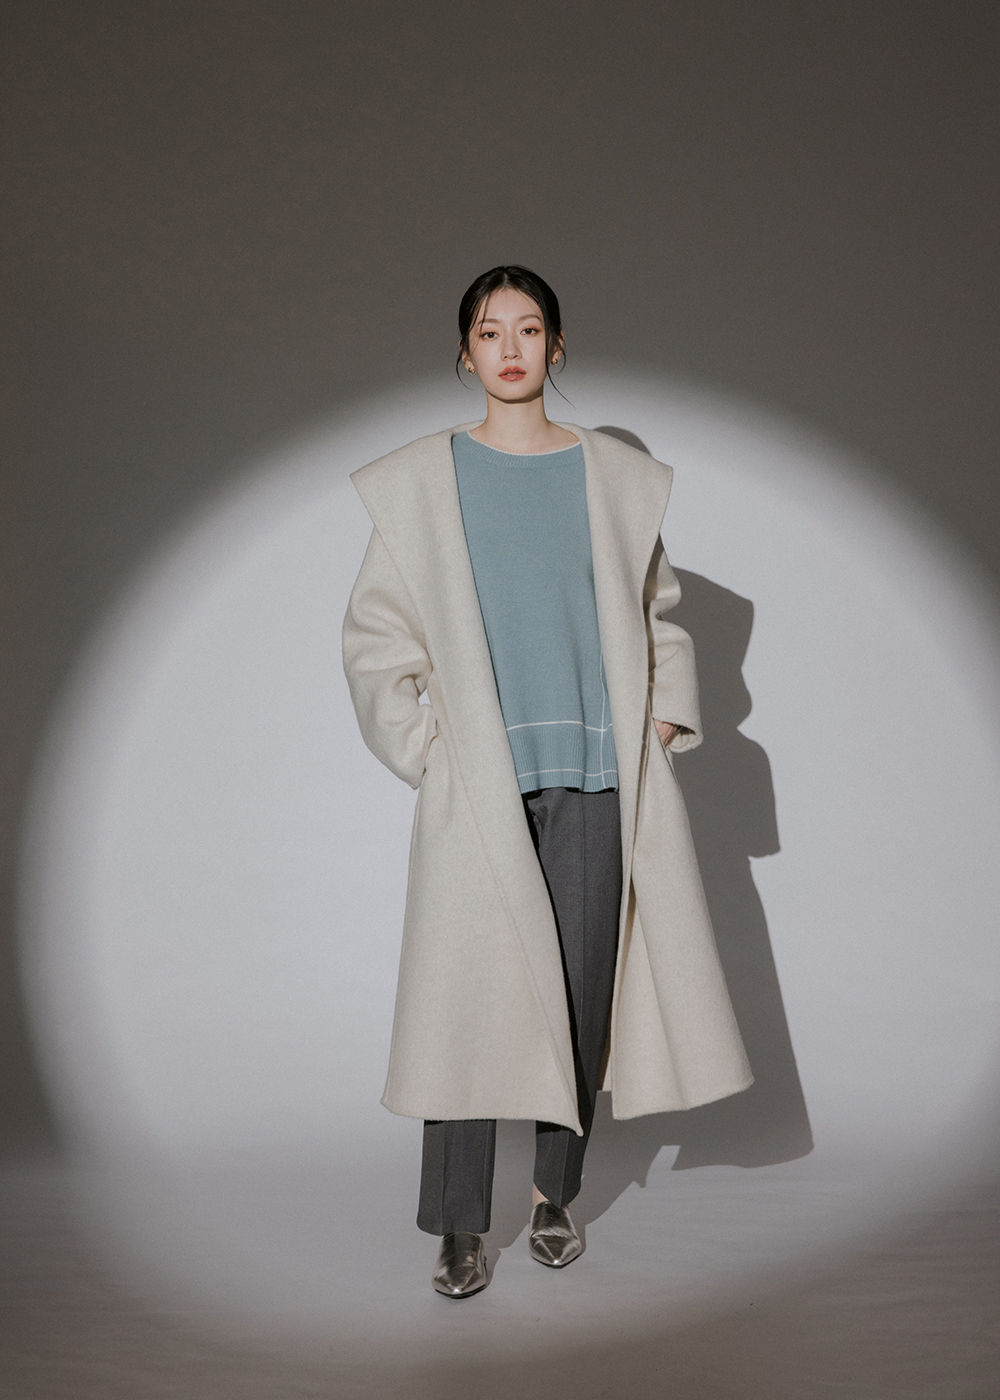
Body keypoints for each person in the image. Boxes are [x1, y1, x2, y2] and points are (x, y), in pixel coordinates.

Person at [342, 266, 751, 1298]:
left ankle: (553, 1196)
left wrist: (663, 714)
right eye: (490, 331)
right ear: (465, 352)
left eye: (529, 329)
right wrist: (430, 753)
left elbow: (657, 608)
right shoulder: (424, 481)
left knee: (580, 997)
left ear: (556, 347)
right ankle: (458, 1225)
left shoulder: (610, 477)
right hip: (482, 784)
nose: (511, 347)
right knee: (465, 1003)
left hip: (596, 776)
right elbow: (375, 639)